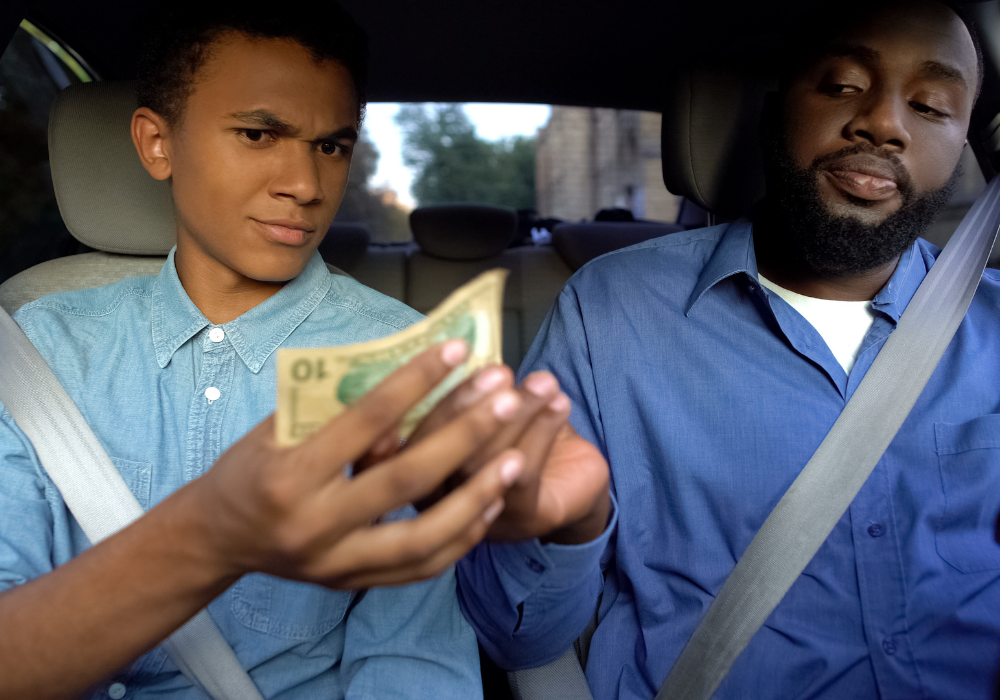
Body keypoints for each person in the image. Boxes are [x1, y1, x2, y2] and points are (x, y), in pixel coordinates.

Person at [0, 5, 611, 698]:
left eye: (331, 146)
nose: (306, 186)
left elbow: (412, 663)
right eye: (259, 134)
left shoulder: (410, 363)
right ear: (157, 144)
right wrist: (208, 536)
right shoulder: (35, 348)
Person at [457, 0, 1000, 697]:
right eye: (842, 85)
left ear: (962, 148)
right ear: (776, 113)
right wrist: (567, 528)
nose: (885, 123)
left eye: (930, 106)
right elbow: (517, 639)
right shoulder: (612, 309)